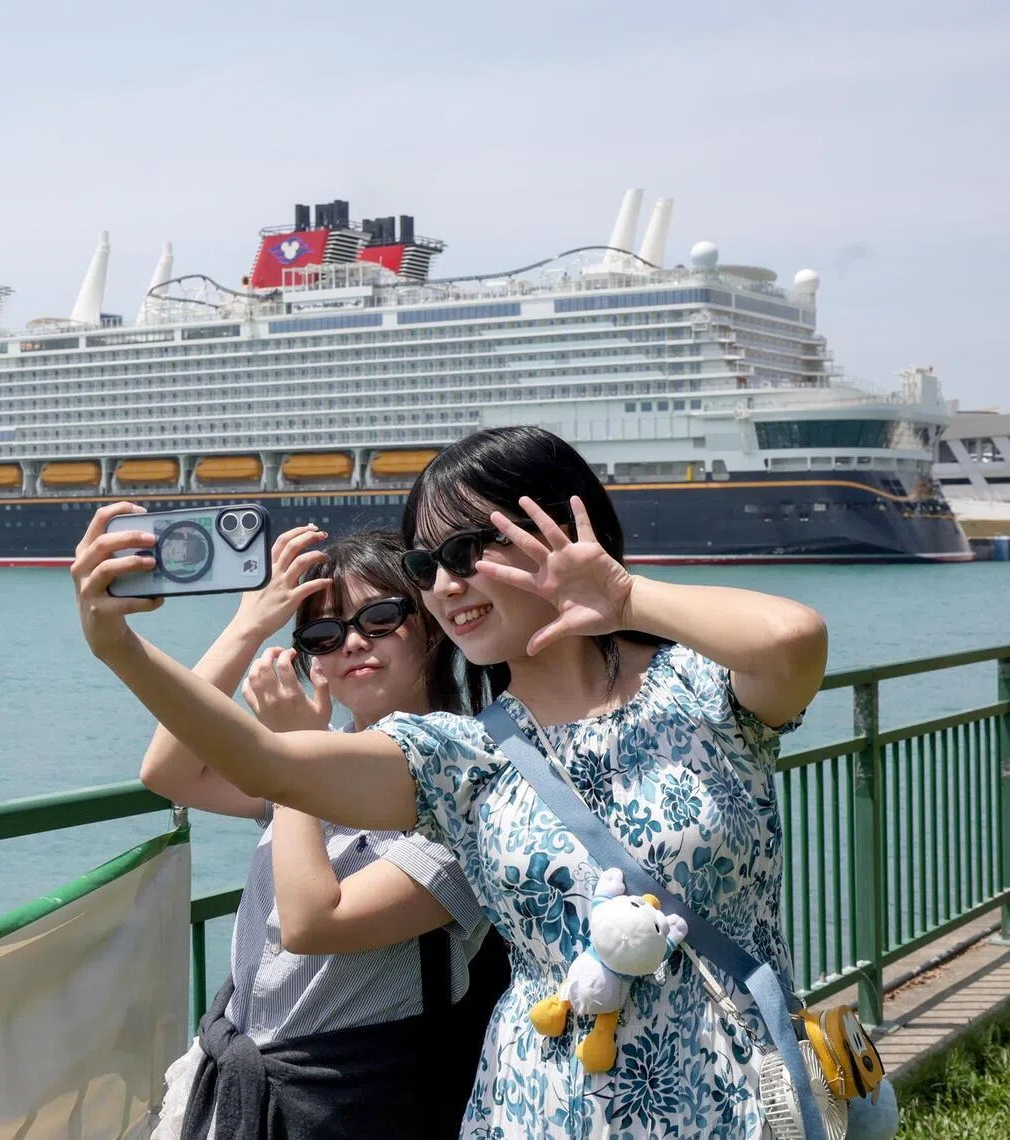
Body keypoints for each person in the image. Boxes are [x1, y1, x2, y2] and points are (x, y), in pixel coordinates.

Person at [73, 426, 828, 1139]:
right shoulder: (461, 754)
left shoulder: (699, 693)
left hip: (735, 1095)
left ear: (565, 526)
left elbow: (793, 640)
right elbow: (264, 765)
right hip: (540, 1106)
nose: (446, 583)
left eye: (467, 549)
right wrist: (120, 649)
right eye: (427, 565)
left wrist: (624, 598)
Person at [138, 524, 504, 1140]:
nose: (352, 644)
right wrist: (247, 625)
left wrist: (286, 757)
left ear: (435, 624)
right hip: (248, 1083)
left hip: (356, 1097)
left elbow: (315, 924)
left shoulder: (470, 782)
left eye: (381, 617)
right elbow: (169, 772)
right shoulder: (320, 760)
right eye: (324, 635)